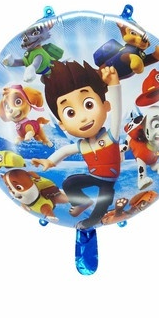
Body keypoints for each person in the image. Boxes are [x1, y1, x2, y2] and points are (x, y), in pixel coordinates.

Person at [31, 60, 122, 229]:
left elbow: (117, 112)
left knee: (104, 201)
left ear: (105, 105)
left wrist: (114, 84)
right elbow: (65, 150)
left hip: (109, 181)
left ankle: (90, 221)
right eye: (70, 113)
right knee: (69, 183)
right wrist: (49, 161)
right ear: (62, 125)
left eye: (89, 104)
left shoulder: (111, 136)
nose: (83, 118)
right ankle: (82, 202)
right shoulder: (83, 145)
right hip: (94, 176)